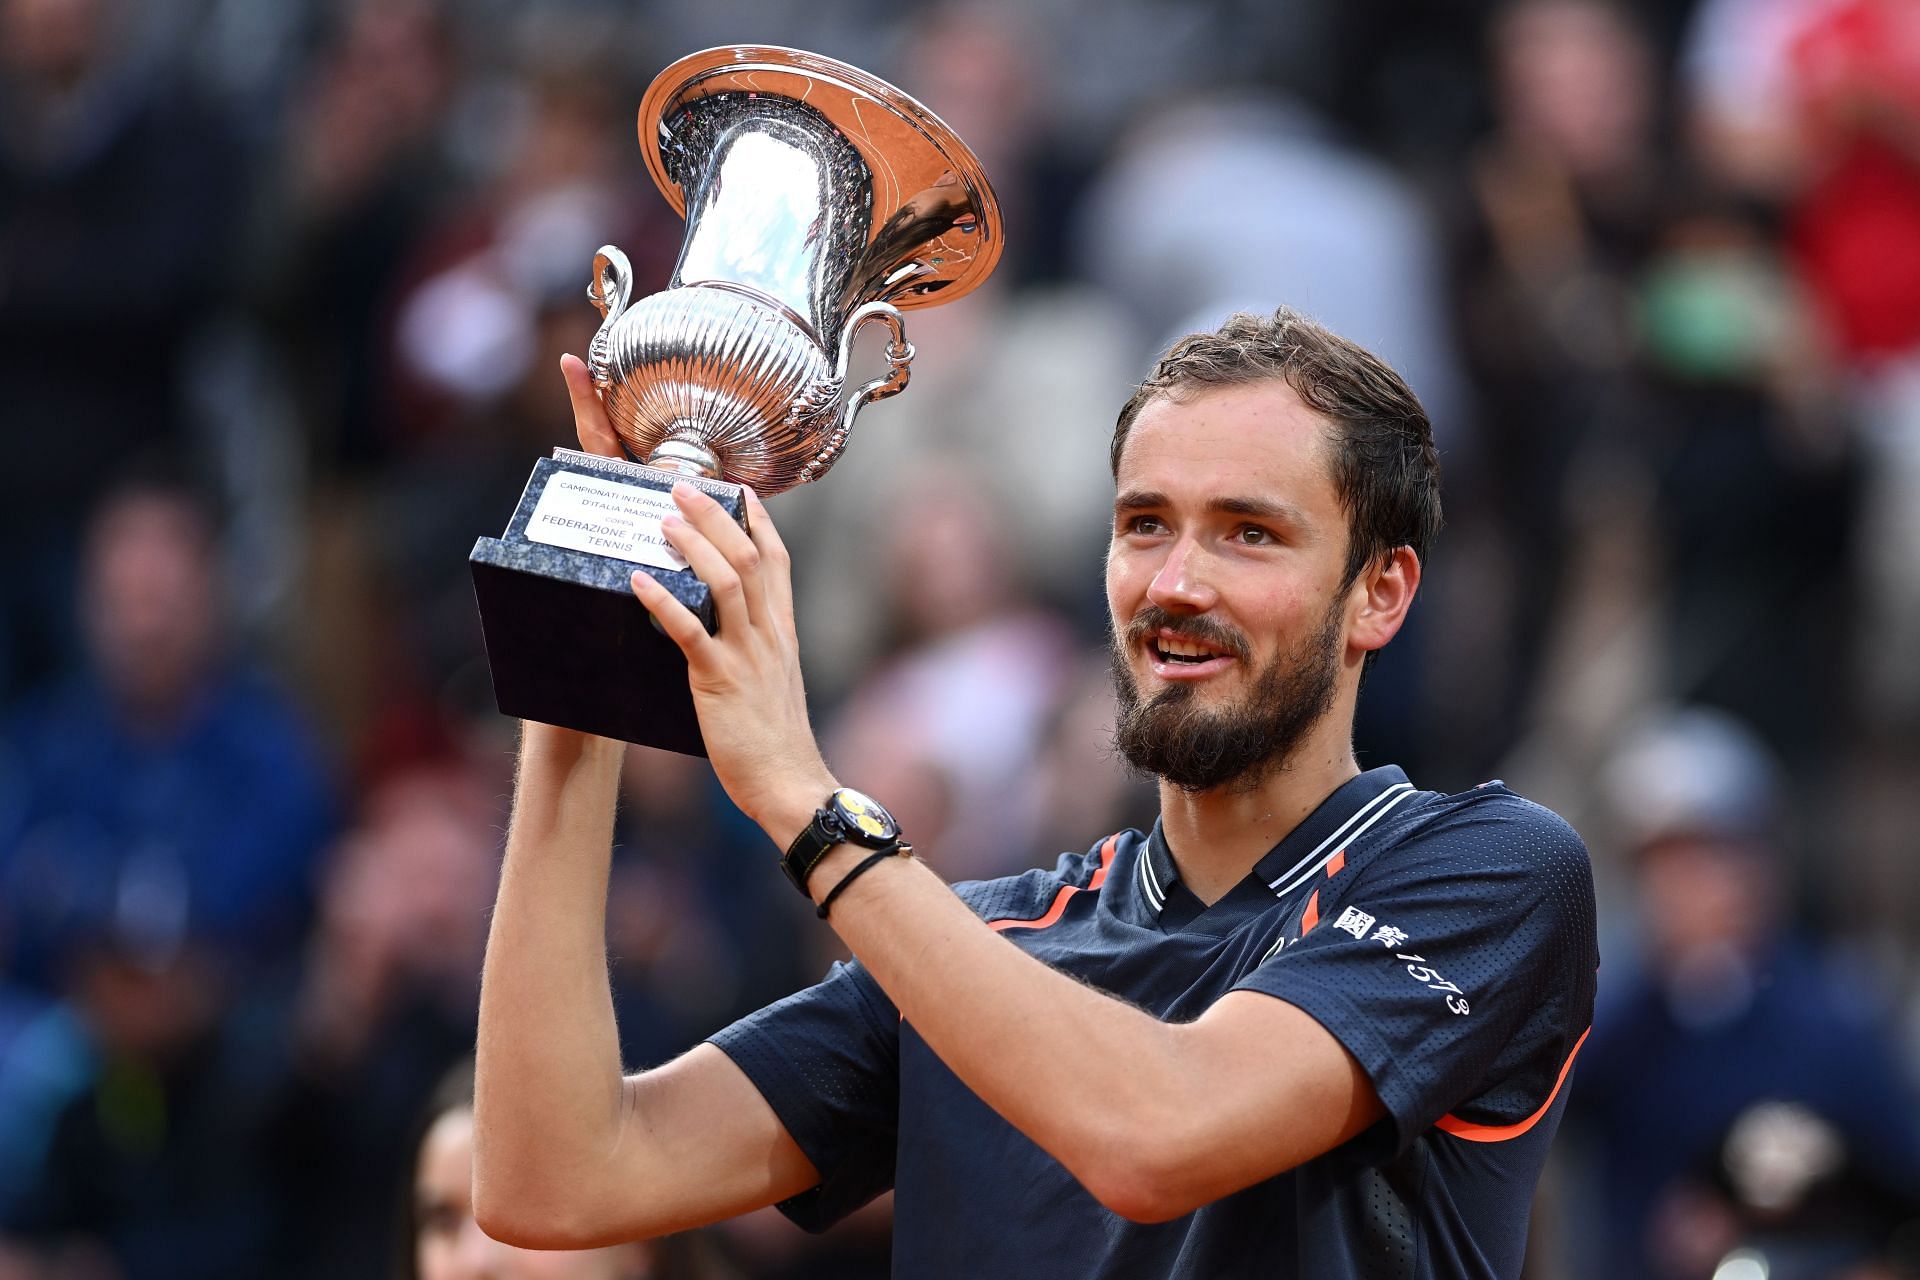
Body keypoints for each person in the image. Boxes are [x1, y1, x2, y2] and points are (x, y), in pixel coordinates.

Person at [473, 308, 1599, 1277]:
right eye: (1144, 522)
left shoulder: (1491, 868)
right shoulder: (972, 940)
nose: (1176, 582)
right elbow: (558, 1173)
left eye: (1249, 533)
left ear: (1380, 593)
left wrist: (806, 800)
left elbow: (1157, 1132)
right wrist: (578, 678)